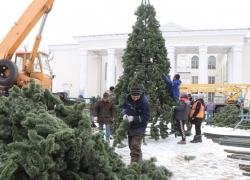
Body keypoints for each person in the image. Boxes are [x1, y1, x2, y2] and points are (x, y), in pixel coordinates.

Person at [122, 87, 150, 164]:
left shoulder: (144, 102)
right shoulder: (127, 98)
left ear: (140, 95)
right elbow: (124, 107)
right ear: (130, 95)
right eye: (133, 97)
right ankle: (140, 164)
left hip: (140, 127)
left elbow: (147, 117)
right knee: (132, 146)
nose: (135, 99)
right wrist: (124, 114)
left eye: (137, 97)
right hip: (130, 126)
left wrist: (134, 118)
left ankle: (134, 167)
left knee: (135, 147)